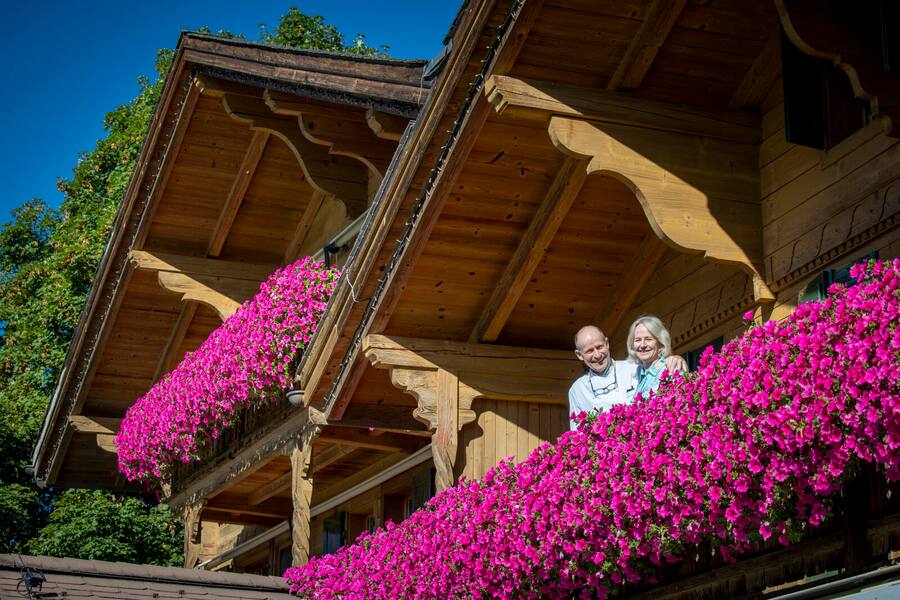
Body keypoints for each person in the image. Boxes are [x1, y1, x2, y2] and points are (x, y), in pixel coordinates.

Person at [568, 324, 684, 430]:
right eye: (590, 351)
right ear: (579, 355)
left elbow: (656, 373)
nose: (597, 355)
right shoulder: (577, 390)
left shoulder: (633, 368)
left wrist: (673, 359)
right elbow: (577, 432)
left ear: (607, 344)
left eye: (599, 347)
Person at [627, 314, 685, 397]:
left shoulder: (671, 368)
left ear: (660, 342)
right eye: (638, 340)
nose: (642, 345)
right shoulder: (638, 376)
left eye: (648, 339)